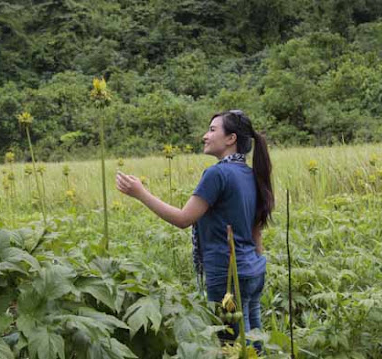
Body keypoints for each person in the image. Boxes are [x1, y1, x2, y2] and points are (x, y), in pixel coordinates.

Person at [115, 110, 274, 348]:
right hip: (253, 271)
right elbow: (256, 230)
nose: (205, 136)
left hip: (227, 277)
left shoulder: (217, 174)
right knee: (253, 341)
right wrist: (255, 264)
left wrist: (140, 193)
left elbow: (183, 219)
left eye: (212, 130)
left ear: (231, 139)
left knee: (230, 345)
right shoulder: (249, 174)